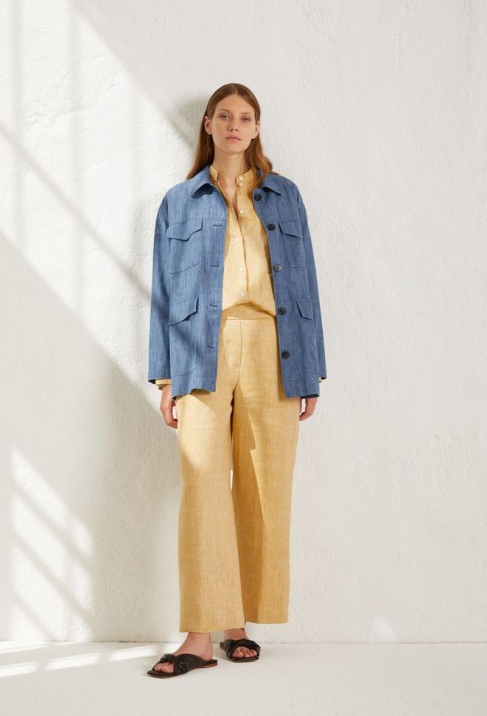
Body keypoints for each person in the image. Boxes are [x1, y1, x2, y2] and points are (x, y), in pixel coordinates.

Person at [147, 82, 327, 678]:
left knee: (263, 485)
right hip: (199, 350)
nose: (233, 125)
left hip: (275, 347)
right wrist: (164, 377)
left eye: (245, 117)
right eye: (224, 115)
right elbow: (162, 292)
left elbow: (305, 282)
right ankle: (199, 635)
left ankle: (237, 625)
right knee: (203, 486)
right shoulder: (179, 201)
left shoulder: (284, 195)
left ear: (256, 128)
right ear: (207, 124)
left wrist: (310, 370)